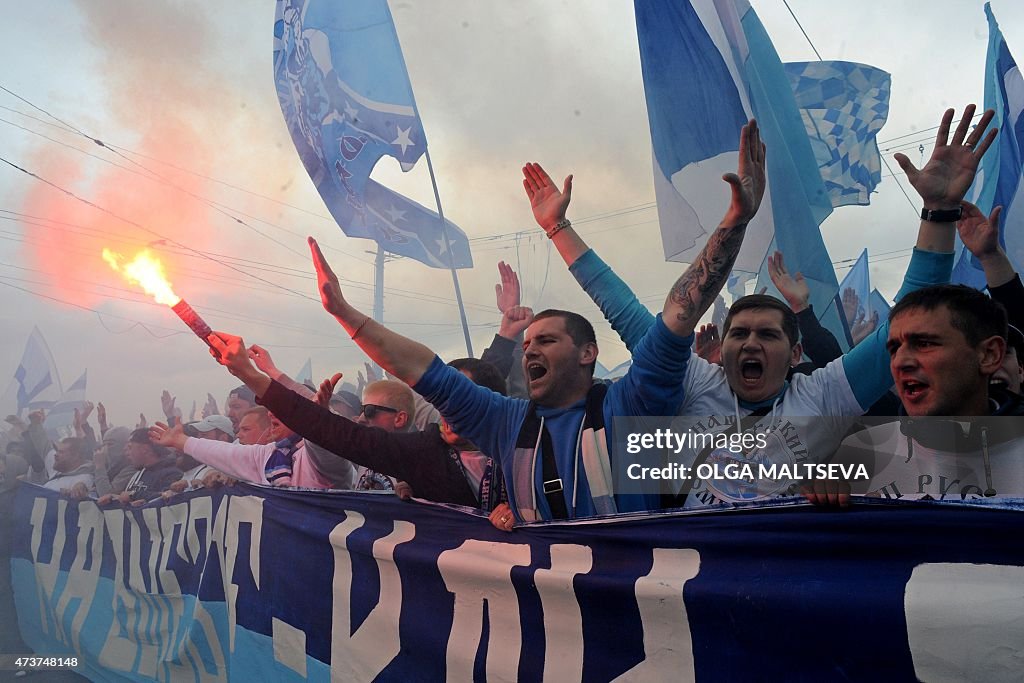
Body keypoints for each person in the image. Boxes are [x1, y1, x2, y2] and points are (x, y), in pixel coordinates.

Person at [286, 120, 765, 521]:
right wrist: (347, 316)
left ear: (587, 353)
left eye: (546, 340)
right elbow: (420, 369)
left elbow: (682, 308)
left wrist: (735, 221)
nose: (530, 348)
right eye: (528, 341)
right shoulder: (504, 421)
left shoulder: (631, 403)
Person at [528, 106, 997, 508]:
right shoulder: (695, 380)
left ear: (795, 355)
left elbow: (908, 317)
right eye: (739, 333)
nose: (749, 342)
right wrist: (558, 229)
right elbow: (624, 310)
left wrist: (938, 210)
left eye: (767, 334)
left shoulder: (821, 397)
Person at [209, 345, 512, 515]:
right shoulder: (423, 453)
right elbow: (330, 429)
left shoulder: (528, 450)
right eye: (441, 400)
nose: (362, 419)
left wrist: (521, 513)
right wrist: (253, 374)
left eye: (371, 411)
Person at [833, 284, 1024, 502]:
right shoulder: (859, 453)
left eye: (924, 343)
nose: (900, 362)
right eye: (894, 349)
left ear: (989, 355)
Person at [97, 430, 182, 506]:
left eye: (130, 447)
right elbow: (128, 498)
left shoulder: (172, 473)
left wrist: (133, 495)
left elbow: (169, 498)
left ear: (145, 450)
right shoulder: (140, 472)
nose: (127, 452)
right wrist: (114, 498)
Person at [22, 437, 95, 495]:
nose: (56, 454)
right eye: (57, 451)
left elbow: (83, 486)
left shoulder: (84, 478)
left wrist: (79, 488)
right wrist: (35, 423)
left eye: (61, 452)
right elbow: (44, 446)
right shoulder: (57, 470)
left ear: (75, 456)